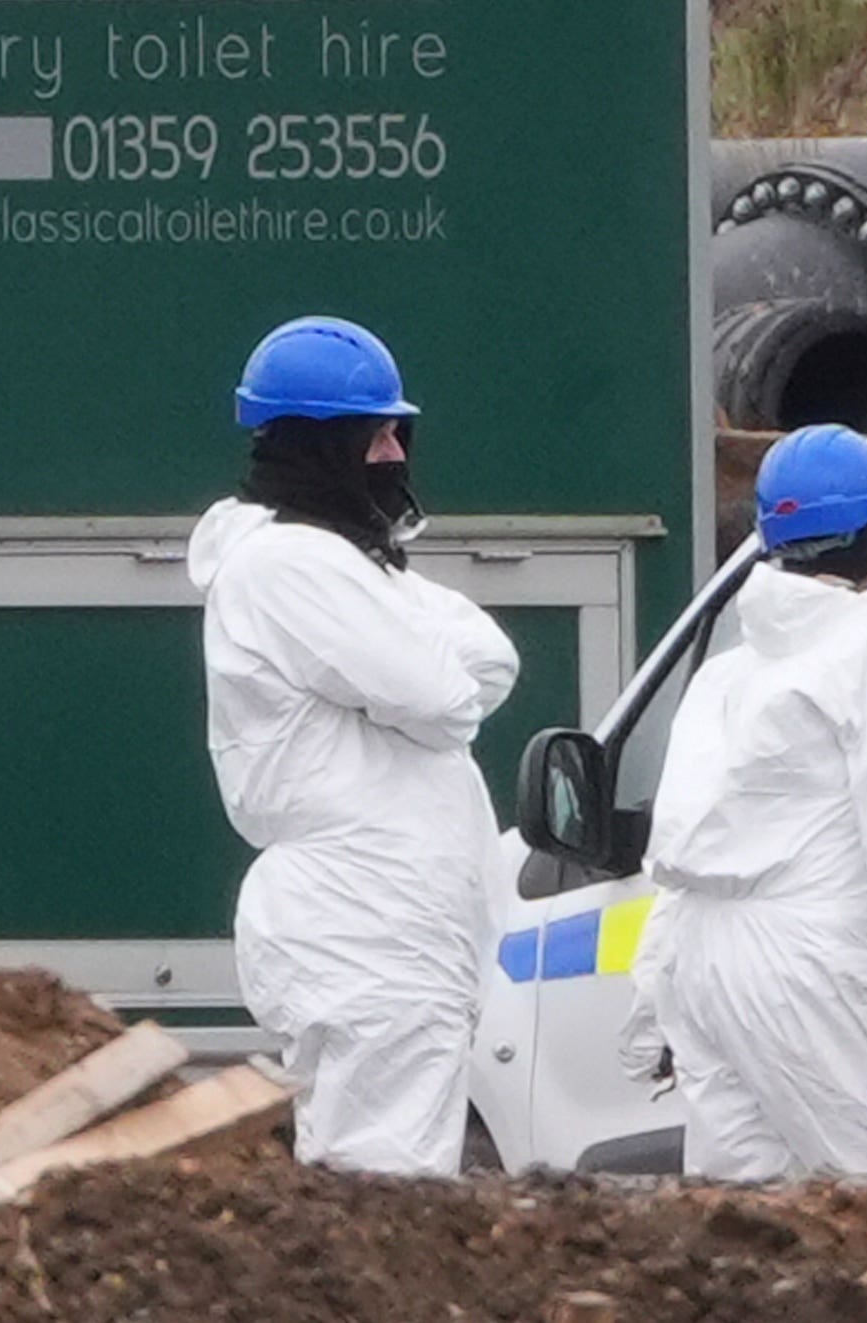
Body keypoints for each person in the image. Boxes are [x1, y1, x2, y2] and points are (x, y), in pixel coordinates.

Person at [189, 314, 520, 1177]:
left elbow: (493, 655)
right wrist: (413, 680)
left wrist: (406, 677)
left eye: (395, 433)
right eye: (373, 434)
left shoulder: (352, 564)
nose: (391, 454)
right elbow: (448, 699)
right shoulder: (289, 564)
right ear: (320, 441)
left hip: (392, 929)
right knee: (383, 1193)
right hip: (368, 928)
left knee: (383, 1188)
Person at [619, 423, 867, 1178]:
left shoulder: (727, 673)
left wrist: (652, 1007)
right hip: (813, 970)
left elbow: (681, 862)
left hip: (700, 970)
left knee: (749, 1238)